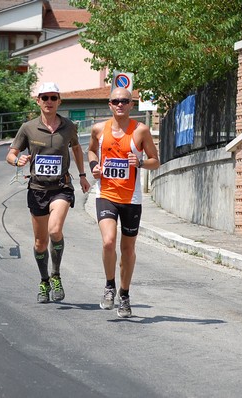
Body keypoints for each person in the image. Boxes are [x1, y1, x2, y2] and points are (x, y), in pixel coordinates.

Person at [7, 82, 90, 303]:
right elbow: (11, 153)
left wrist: (82, 175)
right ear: (38, 101)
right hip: (37, 190)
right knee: (40, 243)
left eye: (54, 98)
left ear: (59, 101)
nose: (49, 102)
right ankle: (44, 280)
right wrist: (17, 160)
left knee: (55, 231)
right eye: (45, 98)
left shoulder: (69, 126)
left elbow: (76, 148)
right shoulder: (28, 128)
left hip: (61, 188)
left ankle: (56, 275)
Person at [87, 87, 160, 318]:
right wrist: (93, 167)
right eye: (115, 101)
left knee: (127, 249)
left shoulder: (141, 131)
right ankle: (109, 286)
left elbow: (155, 161)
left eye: (124, 101)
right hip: (106, 194)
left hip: (131, 199)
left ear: (131, 105)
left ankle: (124, 294)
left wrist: (138, 162)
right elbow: (91, 152)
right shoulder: (99, 129)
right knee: (109, 242)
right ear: (109, 104)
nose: (120, 104)